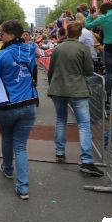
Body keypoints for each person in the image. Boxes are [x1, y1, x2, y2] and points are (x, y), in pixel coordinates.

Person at [0, 20, 38, 200]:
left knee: (7, 138)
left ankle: (8, 169)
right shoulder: (29, 51)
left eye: (3, 33)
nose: (0, 36)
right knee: (20, 146)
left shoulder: (3, 55)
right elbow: (33, 72)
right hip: (29, 104)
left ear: (11, 35)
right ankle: (23, 187)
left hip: (7, 106)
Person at [47, 22, 104, 177]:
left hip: (58, 89)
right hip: (78, 90)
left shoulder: (58, 48)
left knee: (61, 120)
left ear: (67, 32)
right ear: (79, 34)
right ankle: (86, 160)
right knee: (84, 125)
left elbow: (51, 70)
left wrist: (52, 84)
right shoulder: (83, 49)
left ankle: (60, 152)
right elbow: (89, 70)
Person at [86, 1, 112, 97]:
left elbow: (87, 25)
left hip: (109, 47)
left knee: (109, 72)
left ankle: (109, 94)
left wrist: (91, 15)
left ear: (103, 10)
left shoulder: (103, 18)